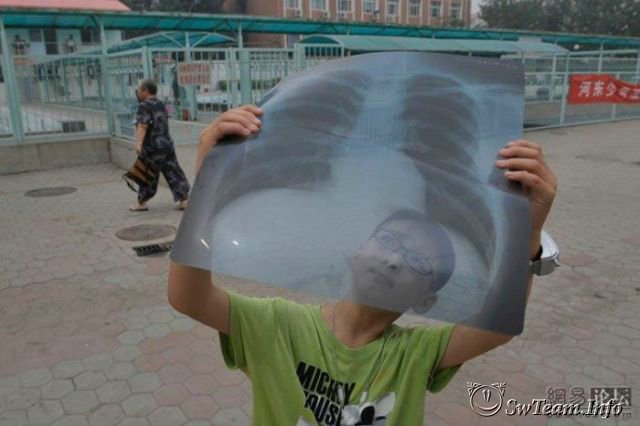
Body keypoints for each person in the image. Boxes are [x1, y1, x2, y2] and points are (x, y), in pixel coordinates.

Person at [168, 105, 557, 425]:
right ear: (356, 252)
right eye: (388, 241)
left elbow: (497, 328)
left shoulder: (415, 354)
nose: (394, 260)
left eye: (418, 262)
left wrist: (529, 235)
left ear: (425, 301)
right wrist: (208, 179)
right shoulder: (277, 326)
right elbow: (189, 298)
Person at [128, 79, 190, 211]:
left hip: (153, 146)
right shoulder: (161, 104)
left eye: (139, 90)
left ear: (145, 91)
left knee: (147, 173)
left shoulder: (144, 106)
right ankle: (184, 200)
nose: (138, 92)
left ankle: (141, 203)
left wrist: (138, 144)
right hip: (167, 143)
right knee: (173, 170)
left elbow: (142, 125)